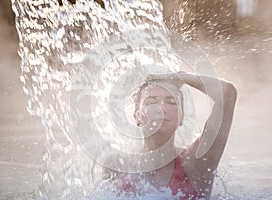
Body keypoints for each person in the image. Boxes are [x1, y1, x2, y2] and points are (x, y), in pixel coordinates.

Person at [100, 71, 237, 199]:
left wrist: (182, 76)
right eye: (151, 101)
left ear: (181, 117)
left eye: (171, 102)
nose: (161, 108)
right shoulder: (117, 165)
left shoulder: (196, 163)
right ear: (137, 116)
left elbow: (228, 94)